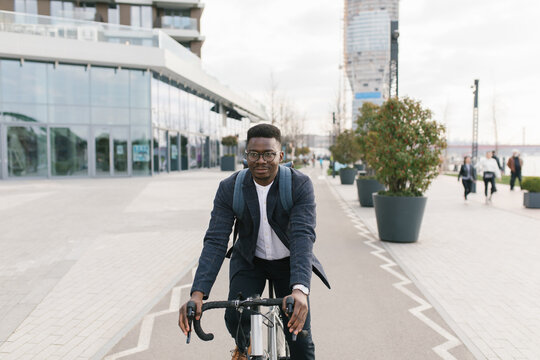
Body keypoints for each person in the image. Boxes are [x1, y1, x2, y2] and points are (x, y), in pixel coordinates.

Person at [178, 124, 330, 360]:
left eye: (268, 154)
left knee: (300, 337)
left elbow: (303, 236)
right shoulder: (230, 188)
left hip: (289, 263)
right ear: (245, 155)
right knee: (236, 316)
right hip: (250, 260)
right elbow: (216, 240)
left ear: (280, 155)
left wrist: (299, 290)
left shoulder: (299, 185)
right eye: (254, 154)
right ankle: (245, 346)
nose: (261, 161)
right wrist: (197, 294)